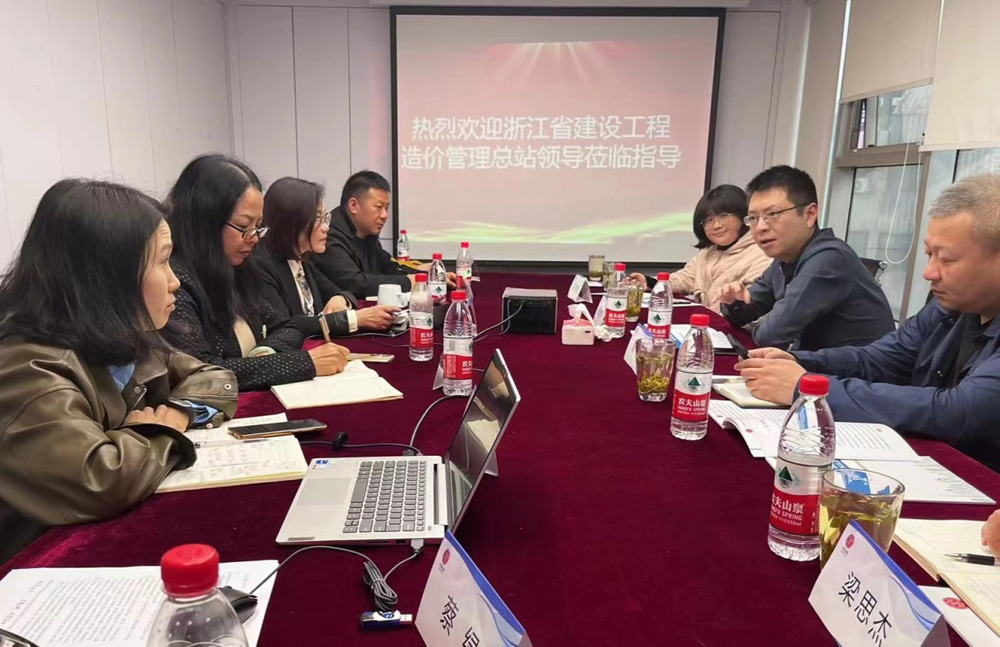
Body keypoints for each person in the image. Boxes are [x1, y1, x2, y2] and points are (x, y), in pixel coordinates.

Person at [0, 179, 238, 562]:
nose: (175, 281)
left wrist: (177, 413)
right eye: (162, 262)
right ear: (107, 274)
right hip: (31, 571)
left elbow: (213, 377)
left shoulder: (120, 339)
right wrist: (161, 432)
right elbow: (101, 479)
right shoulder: (26, 369)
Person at [737, 174, 1000, 472]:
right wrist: (799, 362)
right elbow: (883, 358)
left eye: (947, 260)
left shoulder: (829, 257)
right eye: (929, 255)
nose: (929, 273)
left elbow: (959, 411)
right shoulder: (950, 306)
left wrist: (805, 387)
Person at [163, 155, 349, 391]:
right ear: (204, 222)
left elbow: (288, 327)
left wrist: (264, 354)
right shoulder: (176, 283)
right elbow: (202, 372)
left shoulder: (237, 270)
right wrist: (302, 363)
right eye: (243, 227)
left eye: (258, 226)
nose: (253, 238)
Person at [717, 165, 895, 351]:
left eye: (773, 214)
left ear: (810, 214)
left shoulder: (829, 260)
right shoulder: (784, 257)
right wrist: (733, 302)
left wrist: (759, 321)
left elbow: (771, 334)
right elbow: (752, 307)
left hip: (853, 368)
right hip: (816, 362)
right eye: (753, 218)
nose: (760, 227)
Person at [258, 177, 398, 338]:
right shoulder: (263, 265)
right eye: (318, 218)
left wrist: (340, 299)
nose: (326, 227)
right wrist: (354, 319)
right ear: (290, 221)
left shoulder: (302, 260)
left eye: (325, 217)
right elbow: (285, 324)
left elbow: (344, 292)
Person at [628, 185, 771, 312]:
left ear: (743, 216)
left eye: (723, 216)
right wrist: (650, 282)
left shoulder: (763, 254)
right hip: (708, 325)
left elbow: (755, 308)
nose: (716, 225)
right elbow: (685, 278)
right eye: (709, 220)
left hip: (736, 330)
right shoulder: (707, 252)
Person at [312, 170, 423, 298]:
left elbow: (389, 267)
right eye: (378, 207)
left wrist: (425, 277)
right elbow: (355, 283)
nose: (385, 215)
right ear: (353, 205)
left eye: (386, 208)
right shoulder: (329, 235)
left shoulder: (367, 233)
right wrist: (408, 282)